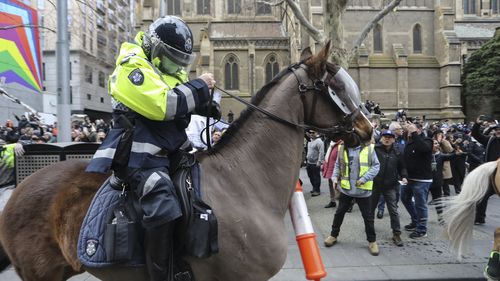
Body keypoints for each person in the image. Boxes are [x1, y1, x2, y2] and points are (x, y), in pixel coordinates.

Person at [86, 16, 220, 281]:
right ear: (155, 47)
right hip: (139, 157)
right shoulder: (132, 66)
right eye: (172, 57)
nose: (177, 65)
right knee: (163, 203)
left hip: (171, 153)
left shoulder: (166, 70)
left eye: (181, 60)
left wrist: (205, 102)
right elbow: (164, 105)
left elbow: (182, 96)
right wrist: (199, 87)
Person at [323, 134, 380, 256]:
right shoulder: (342, 148)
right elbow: (338, 165)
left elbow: (376, 166)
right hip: (346, 190)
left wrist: (364, 178)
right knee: (339, 213)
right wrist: (334, 178)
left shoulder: (369, 148)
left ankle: (372, 241)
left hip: (363, 191)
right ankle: (333, 235)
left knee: (368, 217)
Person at [371, 130, 407, 246]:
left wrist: (404, 176)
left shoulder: (398, 151)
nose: (387, 139)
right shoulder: (374, 150)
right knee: (370, 210)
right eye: (385, 137)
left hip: (391, 186)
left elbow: (402, 167)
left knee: (393, 210)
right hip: (375, 185)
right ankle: (370, 231)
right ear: (381, 138)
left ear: (393, 139)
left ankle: (396, 234)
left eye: (390, 137)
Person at [401, 122, 433, 239]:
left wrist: (414, 132)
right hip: (409, 179)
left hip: (422, 180)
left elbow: (423, 149)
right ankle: (415, 220)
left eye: (411, 129)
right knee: (404, 198)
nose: (409, 131)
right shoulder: (410, 142)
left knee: (420, 204)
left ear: (419, 130)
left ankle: (422, 229)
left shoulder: (427, 140)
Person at [471, 116, 500, 225]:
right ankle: (479, 218)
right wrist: (477, 124)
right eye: (497, 130)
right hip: (492, 174)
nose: (498, 131)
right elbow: (476, 135)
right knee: (483, 195)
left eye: (499, 130)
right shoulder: (489, 140)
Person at [322, 139, 342, 208]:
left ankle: (346, 202)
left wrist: (339, 171)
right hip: (330, 168)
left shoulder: (341, 144)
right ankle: (332, 201)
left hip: (337, 169)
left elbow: (341, 159)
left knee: (339, 186)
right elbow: (328, 157)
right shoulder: (332, 144)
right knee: (331, 185)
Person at [306, 130, 324, 196]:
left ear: (317, 133)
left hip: (315, 163)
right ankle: (314, 188)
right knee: (310, 176)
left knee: (316, 177)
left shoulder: (319, 141)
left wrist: (319, 162)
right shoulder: (310, 140)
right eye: (310, 133)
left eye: (313, 132)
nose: (311, 134)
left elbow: (321, 152)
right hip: (309, 162)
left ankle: (317, 190)